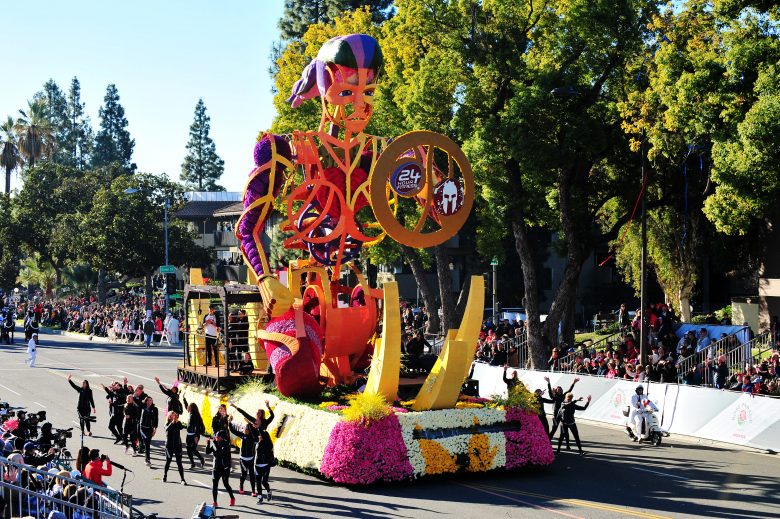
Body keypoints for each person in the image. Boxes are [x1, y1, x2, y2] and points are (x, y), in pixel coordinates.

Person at [229, 416, 258, 497]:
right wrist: (229, 422)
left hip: (251, 459)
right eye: (244, 429)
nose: (245, 430)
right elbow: (232, 430)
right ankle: (241, 486)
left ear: (250, 430)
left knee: (252, 475)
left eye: (247, 429)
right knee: (244, 474)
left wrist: (249, 424)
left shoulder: (253, 437)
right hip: (243, 459)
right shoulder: (242, 435)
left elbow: (255, 432)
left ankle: (253, 490)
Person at [206, 430, 235, 508]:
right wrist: (208, 444)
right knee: (215, 485)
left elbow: (221, 453)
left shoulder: (227, 444)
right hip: (216, 468)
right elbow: (207, 452)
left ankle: (232, 498)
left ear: (222, 437)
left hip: (225, 468)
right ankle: (215, 502)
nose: (216, 437)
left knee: (226, 484)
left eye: (218, 436)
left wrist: (214, 443)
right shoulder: (215, 443)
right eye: (216, 435)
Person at [545, 376, 579, 440]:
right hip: (556, 416)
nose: (559, 390)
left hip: (562, 415)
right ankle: (548, 440)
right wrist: (548, 382)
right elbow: (550, 391)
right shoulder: (554, 397)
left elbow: (569, 390)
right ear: (556, 391)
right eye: (558, 390)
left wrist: (574, 383)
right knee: (554, 429)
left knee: (563, 431)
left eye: (560, 389)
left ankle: (567, 444)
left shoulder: (563, 396)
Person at [162, 411, 187, 485]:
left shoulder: (177, 423)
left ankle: (182, 479)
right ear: (169, 416)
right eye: (173, 415)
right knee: (168, 461)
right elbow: (167, 429)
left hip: (177, 445)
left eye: (175, 415)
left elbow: (181, 427)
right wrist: (172, 423)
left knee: (179, 463)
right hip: (169, 446)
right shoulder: (167, 423)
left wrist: (176, 421)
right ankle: (165, 475)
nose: (174, 417)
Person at [254, 427, 275, 504]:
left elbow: (262, 433)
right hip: (257, 465)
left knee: (264, 482)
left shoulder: (268, 444)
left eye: (260, 435)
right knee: (258, 482)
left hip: (266, 465)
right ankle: (260, 496)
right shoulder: (257, 443)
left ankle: (269, 492)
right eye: (259, 436)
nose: (259, 436)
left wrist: (259, 427)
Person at [183, 399, 206, 469]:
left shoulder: (195, 415)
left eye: (189, 407)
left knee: (193, 449)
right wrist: (184, 399)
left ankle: (201, 459)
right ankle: (192, 463)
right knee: (188, 450)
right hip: (189, 435)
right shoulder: (190, 413)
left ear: (192, 408)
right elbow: (186, 406)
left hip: (194, 435)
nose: (187, 408)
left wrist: (196, 436)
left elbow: (197, 426)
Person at [139, 396, 158, 466]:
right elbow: (137, 401)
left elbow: (156, 420)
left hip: (150, 429)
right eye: (148, 400)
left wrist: (155, 430)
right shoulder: (142, 407)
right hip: (142, 428)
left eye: (151, 400)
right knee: (146, 440)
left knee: (147, 444)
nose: (150, 402)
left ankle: (147, 460)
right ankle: (147, 458)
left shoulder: (155, 409)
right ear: (146, 401)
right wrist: (143, 401)